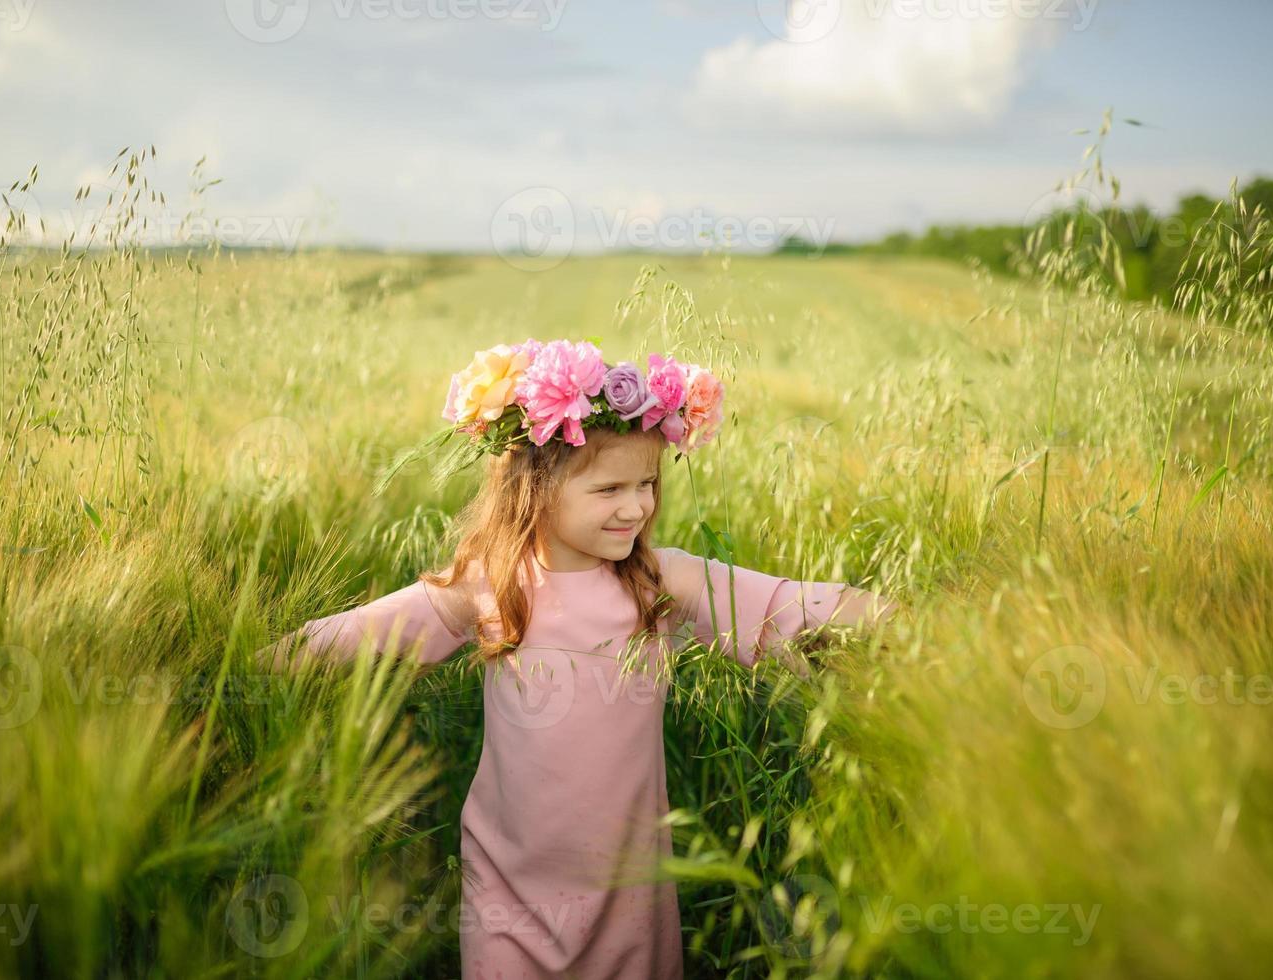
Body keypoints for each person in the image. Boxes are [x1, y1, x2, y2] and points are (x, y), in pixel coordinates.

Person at [259, 338, 900, 979]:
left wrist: (914, 626)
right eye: (609, 488)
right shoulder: (491, 584)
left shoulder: (655, 582)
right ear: (535, 489)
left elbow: (786, 605)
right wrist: (257, 664)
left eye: (647, 483)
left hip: (628, 886)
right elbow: (365, 633)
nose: (637, 507)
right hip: (508, 888)